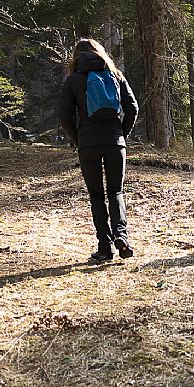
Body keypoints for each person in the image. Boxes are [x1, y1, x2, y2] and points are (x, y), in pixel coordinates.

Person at [58, 38, 139, 263]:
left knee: (96, 196)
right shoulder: (115, 75)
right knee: (116, 192)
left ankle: (105, 247)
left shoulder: (73, 80)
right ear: (101, 53)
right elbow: (133, 108)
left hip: (88, 143)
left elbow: (64, 116)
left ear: (76, 57)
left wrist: (78, 138)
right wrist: (121, 133)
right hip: (115, 141)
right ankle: (121, 236)